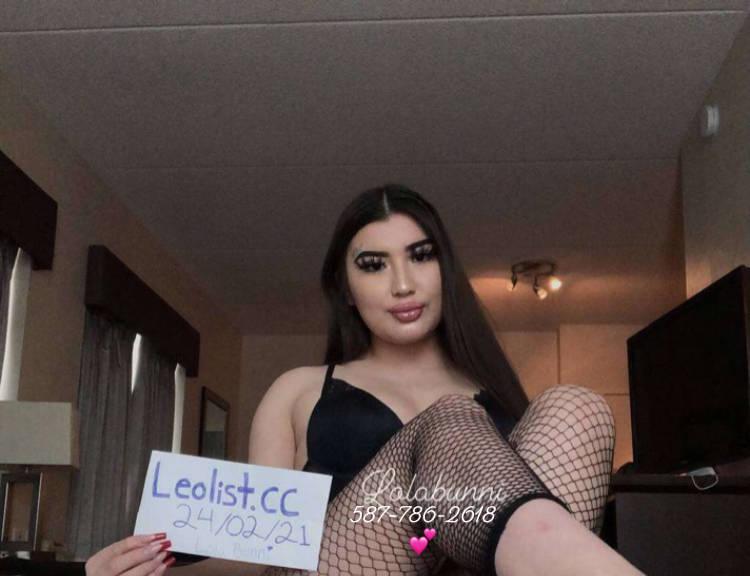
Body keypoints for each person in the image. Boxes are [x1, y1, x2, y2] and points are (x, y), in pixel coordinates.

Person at [86, 184, 644, 576]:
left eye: (420, 256)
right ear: (346, 289)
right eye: (374, 264)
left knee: (578, 406)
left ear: (444, 270)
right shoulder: (300, 389)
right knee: (449, 418)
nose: (402, 283)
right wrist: (151, 563)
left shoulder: (499, 400)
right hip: (332, 566)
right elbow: (256, 547)